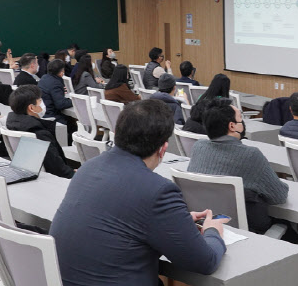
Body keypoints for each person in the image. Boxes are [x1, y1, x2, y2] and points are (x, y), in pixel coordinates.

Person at [49, 100, 228, 285]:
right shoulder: (158, 191)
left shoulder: (88, 167)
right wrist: (212, 231)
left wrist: (177, 221)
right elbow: (204, 262)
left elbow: (123, 222)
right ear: (163, 149)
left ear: (117, 133)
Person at [188, 98, 289, 234]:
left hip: (204, 225)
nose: (243, 122)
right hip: (246, 232)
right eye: (240, 118)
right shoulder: (250, 155)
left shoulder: (198, 147)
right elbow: (279, 196)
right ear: (232, 126)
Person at [7, 85, 75, 178]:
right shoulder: (39, 133)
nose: (43, 103)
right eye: (40, 101)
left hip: (28, 174)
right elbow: (58, 170)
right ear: (31, 108)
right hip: (51, 179)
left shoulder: (14, 124)